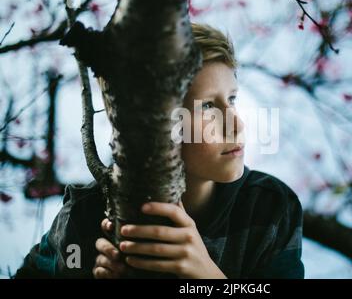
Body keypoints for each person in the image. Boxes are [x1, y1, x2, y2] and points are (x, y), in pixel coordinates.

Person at [15, 23, 304, 279]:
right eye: (207, 106)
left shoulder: (271, 210)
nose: (237, 125)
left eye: (231, 98)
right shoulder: (85, 219)